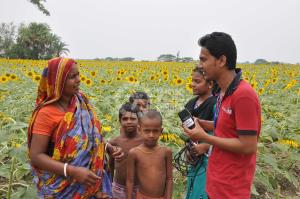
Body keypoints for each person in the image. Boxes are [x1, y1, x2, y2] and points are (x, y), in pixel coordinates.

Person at [28, 57, 123, 199]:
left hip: (90, 184)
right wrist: (72, 171)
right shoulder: (46, 113)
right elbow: (36, 156)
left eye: (78, 74)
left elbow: (89, 137)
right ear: (58, 81)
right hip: (60, 187)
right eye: (72, 76)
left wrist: (107, 147)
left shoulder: (82, 102)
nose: (79, 79)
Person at [183, 32, 261, 199]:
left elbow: (248, 146)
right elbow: (227, 128)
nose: (200, 65)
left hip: (231, 189)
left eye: (204, 59)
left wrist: (205, 137)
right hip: (216, 181)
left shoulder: (243, 95)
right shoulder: (222, 92)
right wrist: (202, 123)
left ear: (221, 61)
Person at [184, 67, 216, 199]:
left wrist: (205, 146)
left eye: (197, 81)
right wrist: (188, 148)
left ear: (210, 84)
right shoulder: (191, 104)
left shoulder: (215, 104)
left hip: (210, 158)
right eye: (192, 81)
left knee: (202, 191)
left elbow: (222, 131)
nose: (192, 84)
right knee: (192, 188)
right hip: (194, 157)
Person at [127, 110, 173, 199]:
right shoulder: (134, 153)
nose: (151, 135)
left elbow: (169, 179)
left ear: (161, 131)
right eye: (147, 131)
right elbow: (130, 181)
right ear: (139, 129)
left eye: (155, 131)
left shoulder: (166, 152)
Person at [109, 103, 144, 199]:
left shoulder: (144, 141)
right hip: (118, 190)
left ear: (139, 121)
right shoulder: (114, 142)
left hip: (140, 189)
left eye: (133, 119)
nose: (129, 121)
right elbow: (111, 166)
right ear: (120, 121)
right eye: (125, 119)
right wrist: (109, 186)